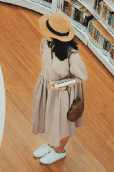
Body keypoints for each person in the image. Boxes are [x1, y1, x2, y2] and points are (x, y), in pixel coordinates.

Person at [32, 13, 88, 165]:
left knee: (62, 124)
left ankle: (59, 151)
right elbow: (43, 56)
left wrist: (60, 85)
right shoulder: (46, 41)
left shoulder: (73, 55)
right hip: (46, 86)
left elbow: (81, 77)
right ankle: (51, 145)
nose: (45, 34)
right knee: (50, 119)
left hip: (62, 94)